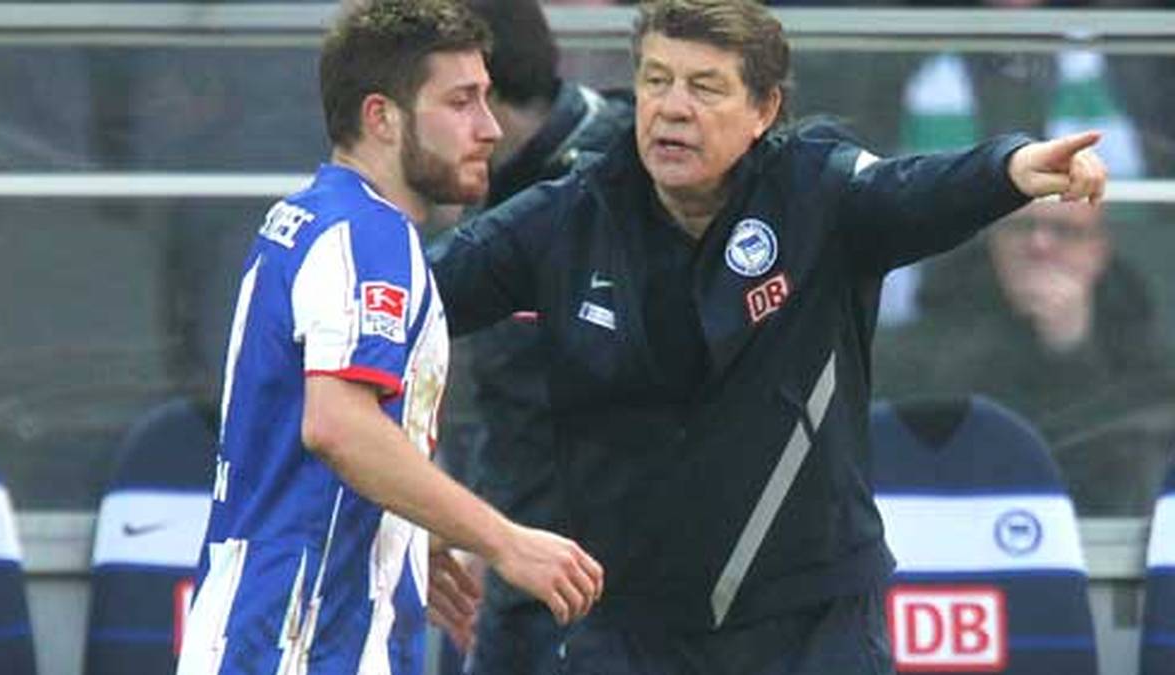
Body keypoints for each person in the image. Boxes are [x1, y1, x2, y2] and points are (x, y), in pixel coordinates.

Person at [428, 0, 1107, 672]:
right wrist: (424, 511)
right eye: (656, 80)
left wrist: (1011, 169)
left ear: (762, 110)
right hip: (629, 627)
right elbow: (410, 305)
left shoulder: (817, 191)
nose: (671, 106)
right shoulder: (570, 215)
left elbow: (914, 187)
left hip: (813, 622)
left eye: (705, 86)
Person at [175, 2, 604, 673]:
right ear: (381, 116)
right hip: (302, 642)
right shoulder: (370, 236)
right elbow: (339, 425)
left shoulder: (313, 217)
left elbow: (324, 433)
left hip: (275, 629)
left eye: (487, 100)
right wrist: (504, 540)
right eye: (461, 102)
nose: (488, 128)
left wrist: (412, 524)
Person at [422, 1, 634, 672]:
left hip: (614, 581)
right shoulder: (481, 189)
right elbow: (509, 397)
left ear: (481, 95)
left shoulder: (632, 175)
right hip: (513, 561)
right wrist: (477, 532)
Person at [874, 201, 1175, 515]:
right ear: (992, 240)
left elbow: (1129, 471)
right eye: (1021, 227)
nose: (1039, 244)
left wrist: (1070, 351)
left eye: (1065, 231)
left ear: (1098, 250)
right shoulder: (918, 342)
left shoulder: (1144, 354)